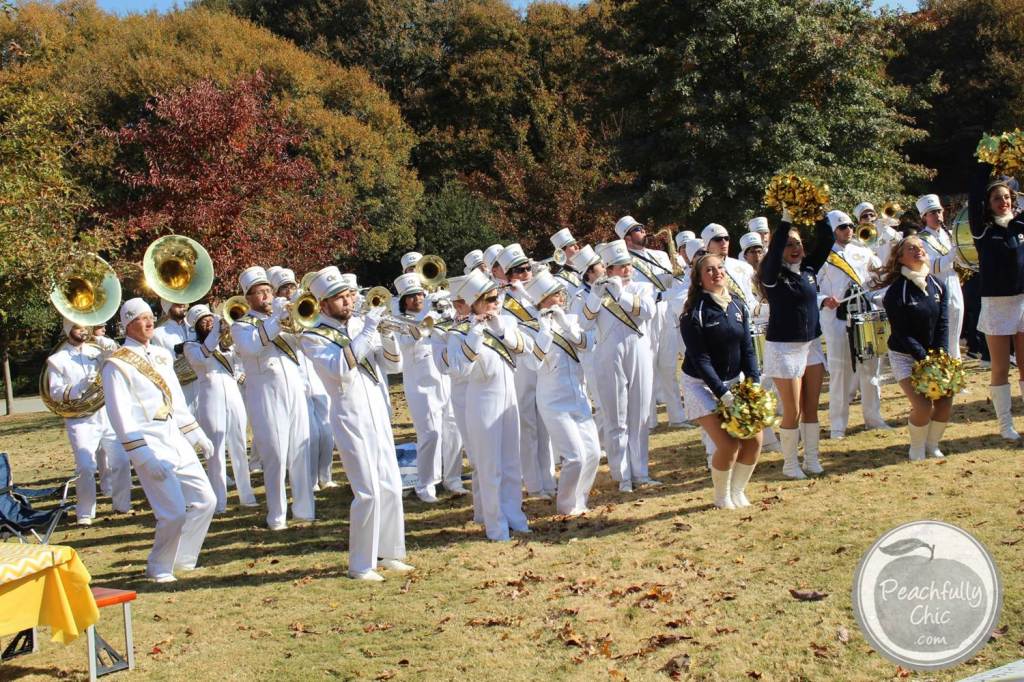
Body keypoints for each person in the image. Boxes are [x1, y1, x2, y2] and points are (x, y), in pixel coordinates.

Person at [300, 267, 410, 581]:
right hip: (349, 414)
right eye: (339, 298)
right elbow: (339, 369)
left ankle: (390, 552)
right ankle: (361, 564)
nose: (348, 302)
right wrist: (367, 332)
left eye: (349, 295)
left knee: (390, 485)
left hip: (378, 410)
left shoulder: (363, 324)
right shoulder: (313, 336)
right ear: (323, 304)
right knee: (368, 491)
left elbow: (394, 364)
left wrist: (387, 335)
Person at [102, 298, 216, 582]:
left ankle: (183, 560)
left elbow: (176, 400)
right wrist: (143, 457)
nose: (148, 321)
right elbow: (120, 417)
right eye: (140, 318)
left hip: (174, 436)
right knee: (173, 512)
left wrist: (196, 434)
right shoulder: (116, 365)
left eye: (149, 316)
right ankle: (159, 566)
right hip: (148, 441)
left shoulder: (162, 355)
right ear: (128, 324)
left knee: (206, 500)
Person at [451, 269, 532, 541]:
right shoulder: (459, 332)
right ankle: (495, 524)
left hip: (508, 395)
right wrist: (475, 331)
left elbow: (525, 348)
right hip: (482, 399)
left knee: (511, 463)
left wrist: (499, 328)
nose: (495, 303)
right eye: (488, 300)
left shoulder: (505, 322)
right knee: (489, 467)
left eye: (496, 298)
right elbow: (460, 370)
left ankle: (514, 515)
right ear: (474, 303)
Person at [230, 266, 314, 530]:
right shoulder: (241, 325)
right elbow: (253, 346)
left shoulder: (284, 318)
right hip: (265, 393)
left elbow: (304, 343)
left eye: (268, 290)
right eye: (260, 292)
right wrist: (276, 319)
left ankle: (304, 509)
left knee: (301, 449)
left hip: (294, 390)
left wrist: (298, 320)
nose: (266, 296)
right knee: (275, 455)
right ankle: (277, 514)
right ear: (249, 298)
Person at [758, 211, 835, 478]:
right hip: (784, 348)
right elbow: (776, 247)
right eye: (789, 244)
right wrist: (787, 220)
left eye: (798, 244)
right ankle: (790, 464)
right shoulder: (772, 275)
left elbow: (827, 240)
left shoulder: (809, 269)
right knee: (793, 410)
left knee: (811, 407)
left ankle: (812, 459)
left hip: (811, 344)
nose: (795, 248)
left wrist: (817, 211)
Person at [680, 254, 762, 508]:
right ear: (700, 279)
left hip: (733, 381)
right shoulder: (694, 313)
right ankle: (721, 496)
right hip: (700, 384)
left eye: (720, 268)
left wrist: (753, 383)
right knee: (728, 445)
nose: (717, 273)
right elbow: (701, 359)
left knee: (754, 440)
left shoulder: (738, 305)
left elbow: (747, 347)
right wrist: (722, 393)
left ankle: (738, 491)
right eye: (709, 271)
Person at [578, 240, 658, 492]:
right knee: (616, 416)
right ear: (608, 269)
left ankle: (641, 472)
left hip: (638, 349)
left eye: (628, 265)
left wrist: (620, 294)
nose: (626, 270)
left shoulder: (642, 287)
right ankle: (622, 474)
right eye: (619, 266)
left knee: (640, 413)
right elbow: (584, 324)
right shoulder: (594, 293)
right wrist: (596, 294)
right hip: (607, 353)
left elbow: (647, 311)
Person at [523, 271, 600, 516]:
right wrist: (545, 331)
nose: (561, 298)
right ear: (543, 300)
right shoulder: (529, 328)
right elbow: (532, 363)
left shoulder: (571, 320)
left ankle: (580, 500)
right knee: (575, 457)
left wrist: (566, 325)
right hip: (553, 400)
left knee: (594, 453)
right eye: (556, 295)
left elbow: (588, 344)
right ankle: (566, 506)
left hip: (578, 395)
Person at [46, 318, 132, 524]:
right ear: (68, 330)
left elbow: (119, 366)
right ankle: (85, 511)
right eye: (78, 327)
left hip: (105, 413)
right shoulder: (58, 360)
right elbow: (55, 392)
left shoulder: (96, 352)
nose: (84, 331)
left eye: (85, 326)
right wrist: (81, 386)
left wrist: (110, 351)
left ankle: (122, 504)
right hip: (80, 419)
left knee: (121, 460)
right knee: (85, 466)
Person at [816, 210, 892, 439]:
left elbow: (879, 281)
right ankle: (838, 424)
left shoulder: (863, 252)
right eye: (842, 227)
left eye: (850, 225)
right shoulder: (821, 255)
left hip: (865, 316)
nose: (848, 230)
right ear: (832, 231)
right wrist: (823, 301)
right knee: (840, 372)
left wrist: (878, 295)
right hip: (836, 319)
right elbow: (811, 288)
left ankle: (873, 417)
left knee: (870, 368)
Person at [876, 237, 951, 460]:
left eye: (920, 247)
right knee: (923, 405)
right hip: (905, 355)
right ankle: (916, 447)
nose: (918, 250)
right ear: (900, 258)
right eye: (911, 248)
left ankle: (932, 444)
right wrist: (923, 358)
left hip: (934, 356)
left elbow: (943, 323)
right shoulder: (896, 292)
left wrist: (940, 355)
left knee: (945, 402)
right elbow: (901, 332)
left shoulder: (938, 284)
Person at [393, 272, 465, 502]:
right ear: (404, 301)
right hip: (421, 388)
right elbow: (405, 344)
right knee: (430, 435)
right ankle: (426, 484)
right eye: (411, 296)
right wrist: (427, 320)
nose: (417, 299)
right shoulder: (399, 322)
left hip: (446, 382)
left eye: (420, 294)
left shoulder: (435, 313)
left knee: (453, 431)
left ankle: (453, 478)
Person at [969, 158, 1024, 440]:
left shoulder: (1019, 226)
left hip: (1022, 302)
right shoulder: (982, 230)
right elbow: (975, 192)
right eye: (996, 198)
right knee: (1001, 367)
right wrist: (988, 161)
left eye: (1006, 197)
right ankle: (1006, 426)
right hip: (997, 304)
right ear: (988, 203)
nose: (1003, 202)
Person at [183, 305, 256, 512]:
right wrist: (217, 330)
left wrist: (232, 334)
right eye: (204, 322)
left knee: (239, 446)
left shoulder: (225, 344)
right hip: (210, 398)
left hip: (233, 396)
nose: (209, 323)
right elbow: (203, 357)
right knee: (215, 450)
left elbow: (240, 359)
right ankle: (219, 501)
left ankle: (247, 495)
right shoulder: (191, 346)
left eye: (211, 319)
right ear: (196, 327)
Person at [616, 215, 686, 428]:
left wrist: (677, 274)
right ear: (627, 238)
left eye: (643, 227)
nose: (644, 231)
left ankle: (677, 417)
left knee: (668, 365)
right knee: (647, 367)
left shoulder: (661, 255)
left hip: (666, 312)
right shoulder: (624, 262)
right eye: (638, 229)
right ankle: (649, 420)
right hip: (645, 315)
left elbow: (672, 281)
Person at [270, 266, 336, 490]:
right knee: (310, 433)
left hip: (315, 373)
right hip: (294, 376)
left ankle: (325, 476)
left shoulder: (305, 303)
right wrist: (280, 314)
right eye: (283, 289)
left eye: (291, 286)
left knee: (327, 430)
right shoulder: (275, 314)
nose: (289, 292)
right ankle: (309, 478)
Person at [498, 243, 556, 498]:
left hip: (546, 365)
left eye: (527, 269)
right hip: (523, 366)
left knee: (546, 424)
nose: (526, 274)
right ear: (509, 276)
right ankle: (534, 484)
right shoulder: (503, 302)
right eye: (519, 271)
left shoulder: (538, 292)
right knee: (529, 425)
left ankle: (549, 478)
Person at [916, 194, 965, 363]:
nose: (937, 216)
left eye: (938, 211)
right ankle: (944, 371)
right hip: (936, 286)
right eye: (932, 213)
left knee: (956, 326)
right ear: (924, 217)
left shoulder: (948, 234)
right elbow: (930, 266)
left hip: (954, 281)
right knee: (942, 330)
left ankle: (956, 371)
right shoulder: (920, 239)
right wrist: (952, 254)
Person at [151, 298, 198, 413]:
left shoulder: (195, 326)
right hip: (181, 387)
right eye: (177, 304)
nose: (183, 305)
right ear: (168, 307)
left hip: (202, 385)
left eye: (182, 303)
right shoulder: (158, 333)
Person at [550, 228, 583, 298]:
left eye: (576, 244)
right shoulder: (559, 278)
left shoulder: (586, 265)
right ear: (561, 252)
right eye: (571, 245)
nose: (577, 247)